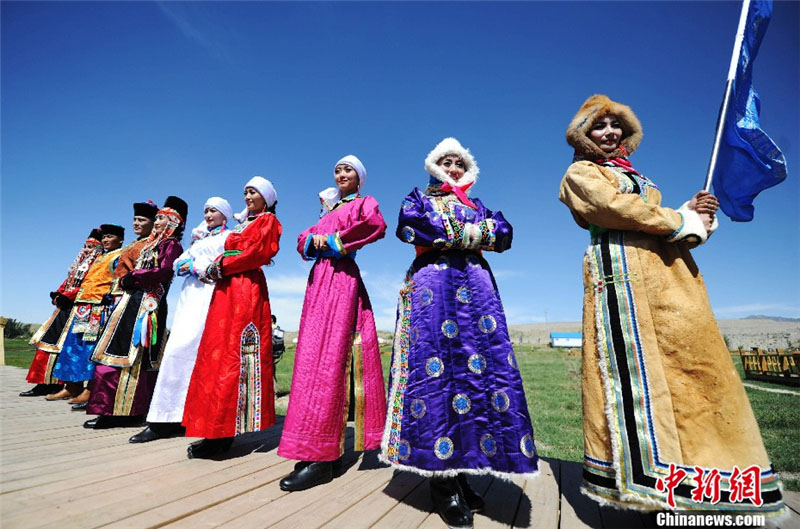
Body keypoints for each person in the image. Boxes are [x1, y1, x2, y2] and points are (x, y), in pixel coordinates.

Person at [558, 94, 784, 516]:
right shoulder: (581, 173)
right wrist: (679, 218)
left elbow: (655, 220)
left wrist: (692, 215)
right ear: (584, 135)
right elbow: (611, 209)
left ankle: (702, 481)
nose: (609, 133)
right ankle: (646, 484)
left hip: (670, 280)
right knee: (637, 380)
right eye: (599, 127)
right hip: (621, 280)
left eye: (616, 126)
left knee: (692, 370)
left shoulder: (639, 178)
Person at [380, 139, 538, 528]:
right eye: (445, 162)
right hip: (434, 290)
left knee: (476, 380)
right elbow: (414, 226)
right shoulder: (418, 198)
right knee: (439, 379)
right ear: (433, 165)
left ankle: (464, 474)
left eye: (458, 163)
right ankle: (442, 483)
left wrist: (465, 231)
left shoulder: (477, 205)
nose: (452, 168)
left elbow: (504, 233)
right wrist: (473, 233)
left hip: (476, 294)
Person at [278, 155, 387, 492]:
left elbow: (375, 225)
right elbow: (302, 240)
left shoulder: (364, 203)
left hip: (341, 281)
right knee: (310, 362)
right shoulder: (327, 212)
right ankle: (311, 445)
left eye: (348, 170)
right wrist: (315, 241)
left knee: (330, 362)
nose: (341, 174)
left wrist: (336, 242)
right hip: (318, 285)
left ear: (360, 178)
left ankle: (325, 455)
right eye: (338, 169)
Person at [182, 177, 281, 459]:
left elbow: (257, 253)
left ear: (267, 198)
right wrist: (220, 264)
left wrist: (220, 264)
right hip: (226, 289)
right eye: (246, 192)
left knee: (233, 357)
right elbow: (236, 250)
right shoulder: (243, 225)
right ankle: (213, 428)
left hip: (245, 289)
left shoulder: (268, 223)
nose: (248, 196)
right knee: (215, 354)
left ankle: (225, 432)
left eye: (254, 192)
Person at [130, 197, 233, 443]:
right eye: (206, 210)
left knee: (199, 355)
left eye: (214, 211)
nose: (208, 214)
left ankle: (194, 416)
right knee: (176, 351)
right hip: (189, 298)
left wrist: (197, 265)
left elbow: (226, 262)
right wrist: (185, 263)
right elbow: (178, 262)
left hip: (211, 296)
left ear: (225, 215)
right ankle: (164, 418)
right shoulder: (200, 237)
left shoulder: (228, 237)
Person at [84, 197, 186, 429]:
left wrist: (133, 277)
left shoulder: (171, 245)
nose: (157, 221)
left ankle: (131, 410)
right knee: (116, 352)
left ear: (172, 222)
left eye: (161, 218)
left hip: (149, 305)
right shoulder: (149, 245)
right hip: (131, 302)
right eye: (157, 217)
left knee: (138, 356)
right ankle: (109, 409)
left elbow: (163, 271)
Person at [22, 228, 104, 398]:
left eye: (91, 247)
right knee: (48, 343)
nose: (86, 250)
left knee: (66, 346)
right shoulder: (78, 266)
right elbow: (67, 283)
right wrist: (59, 295)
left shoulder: (97, 264)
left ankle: (61, 384)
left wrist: (67, 296)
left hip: (80, 309)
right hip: (65, 308)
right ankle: (44, 383)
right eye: (85, 246)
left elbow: (88, 286)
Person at [51, 224, 126, 405]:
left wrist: (109, 300)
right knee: (73, 346)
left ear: (120, 239)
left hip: (100, 308)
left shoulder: (120, 256)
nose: (106, 240)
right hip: (83, 307)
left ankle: (90, 389)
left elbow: (118, 282)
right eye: (104, 237)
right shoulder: (98, 257)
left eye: (110, 237)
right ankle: (71, 386)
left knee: (90, 349)